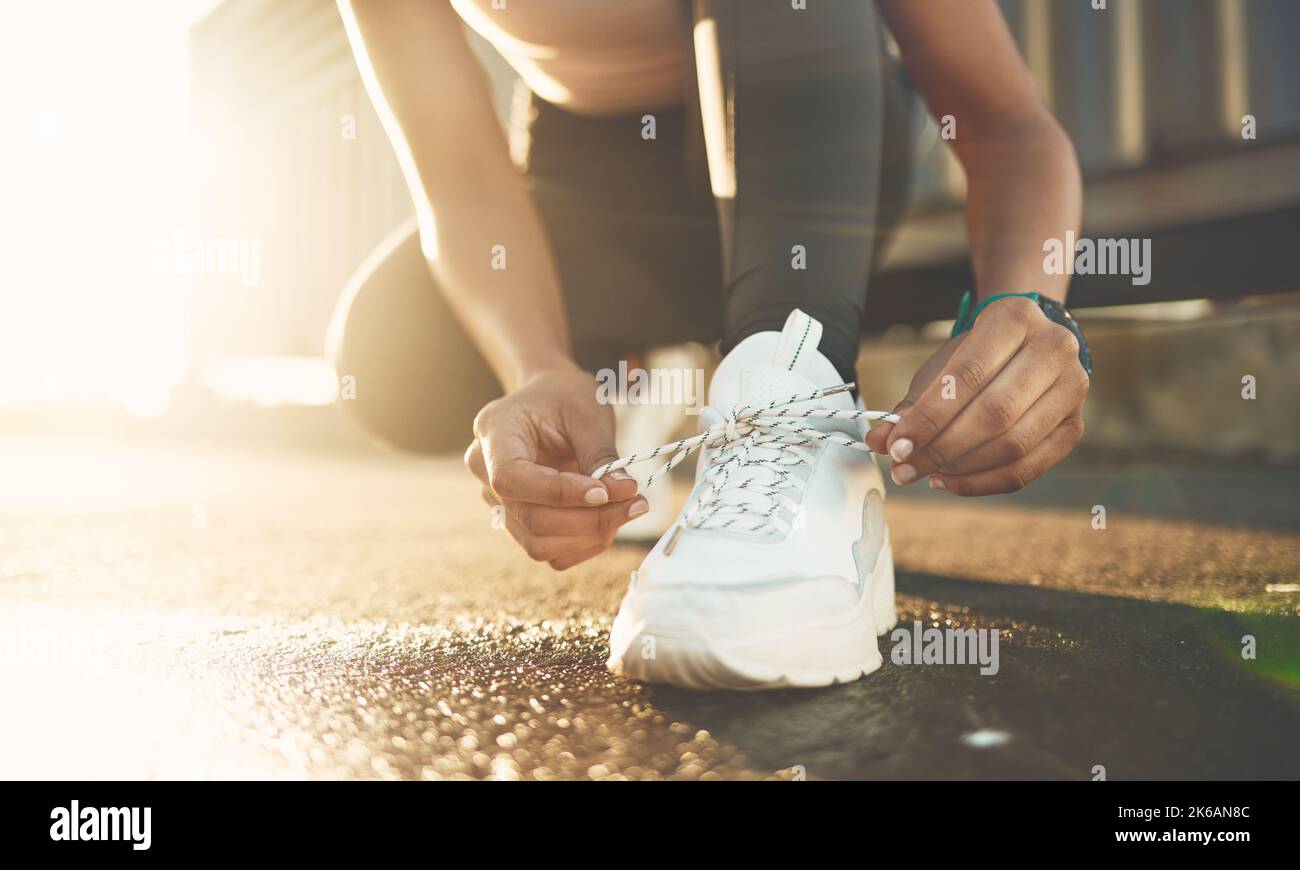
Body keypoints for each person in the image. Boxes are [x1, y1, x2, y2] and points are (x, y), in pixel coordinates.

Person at [331, 0, 1090, 689]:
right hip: (603, 185)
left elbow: (1008, 126)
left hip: (821, 152)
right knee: (392, 349)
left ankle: (793, 392)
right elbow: (460, 184)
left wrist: (1026, 306)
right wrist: (538, 367)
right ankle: (635, 379)